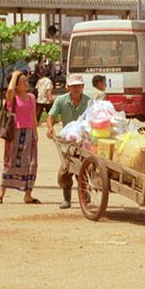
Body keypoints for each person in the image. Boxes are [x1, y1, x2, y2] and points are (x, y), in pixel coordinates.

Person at [0, 70, 40, 205]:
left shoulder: (31, 97)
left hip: (29, 133)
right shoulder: (13, 97)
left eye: (27, 81)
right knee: (11, 162)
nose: (26, 83)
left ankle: (28, 195)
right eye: (23, 82)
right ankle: (1, 193)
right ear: (16, 85)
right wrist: (15, 75)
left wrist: (35, 133)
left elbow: (33, 117)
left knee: (32, 164)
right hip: (16, 133)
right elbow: (9, 89)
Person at [47, 73, 92, 209]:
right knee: (66, 170)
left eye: (78, 86)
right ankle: (67, 198)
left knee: (83, 168)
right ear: (68, 88)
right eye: (73, 86)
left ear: (83, 86)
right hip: (68, 140)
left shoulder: (88, 102)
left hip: (84, 140)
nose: (76, 89)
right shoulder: (61, 101)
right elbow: (51, 116)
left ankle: (85, 194)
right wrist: (50, 128)